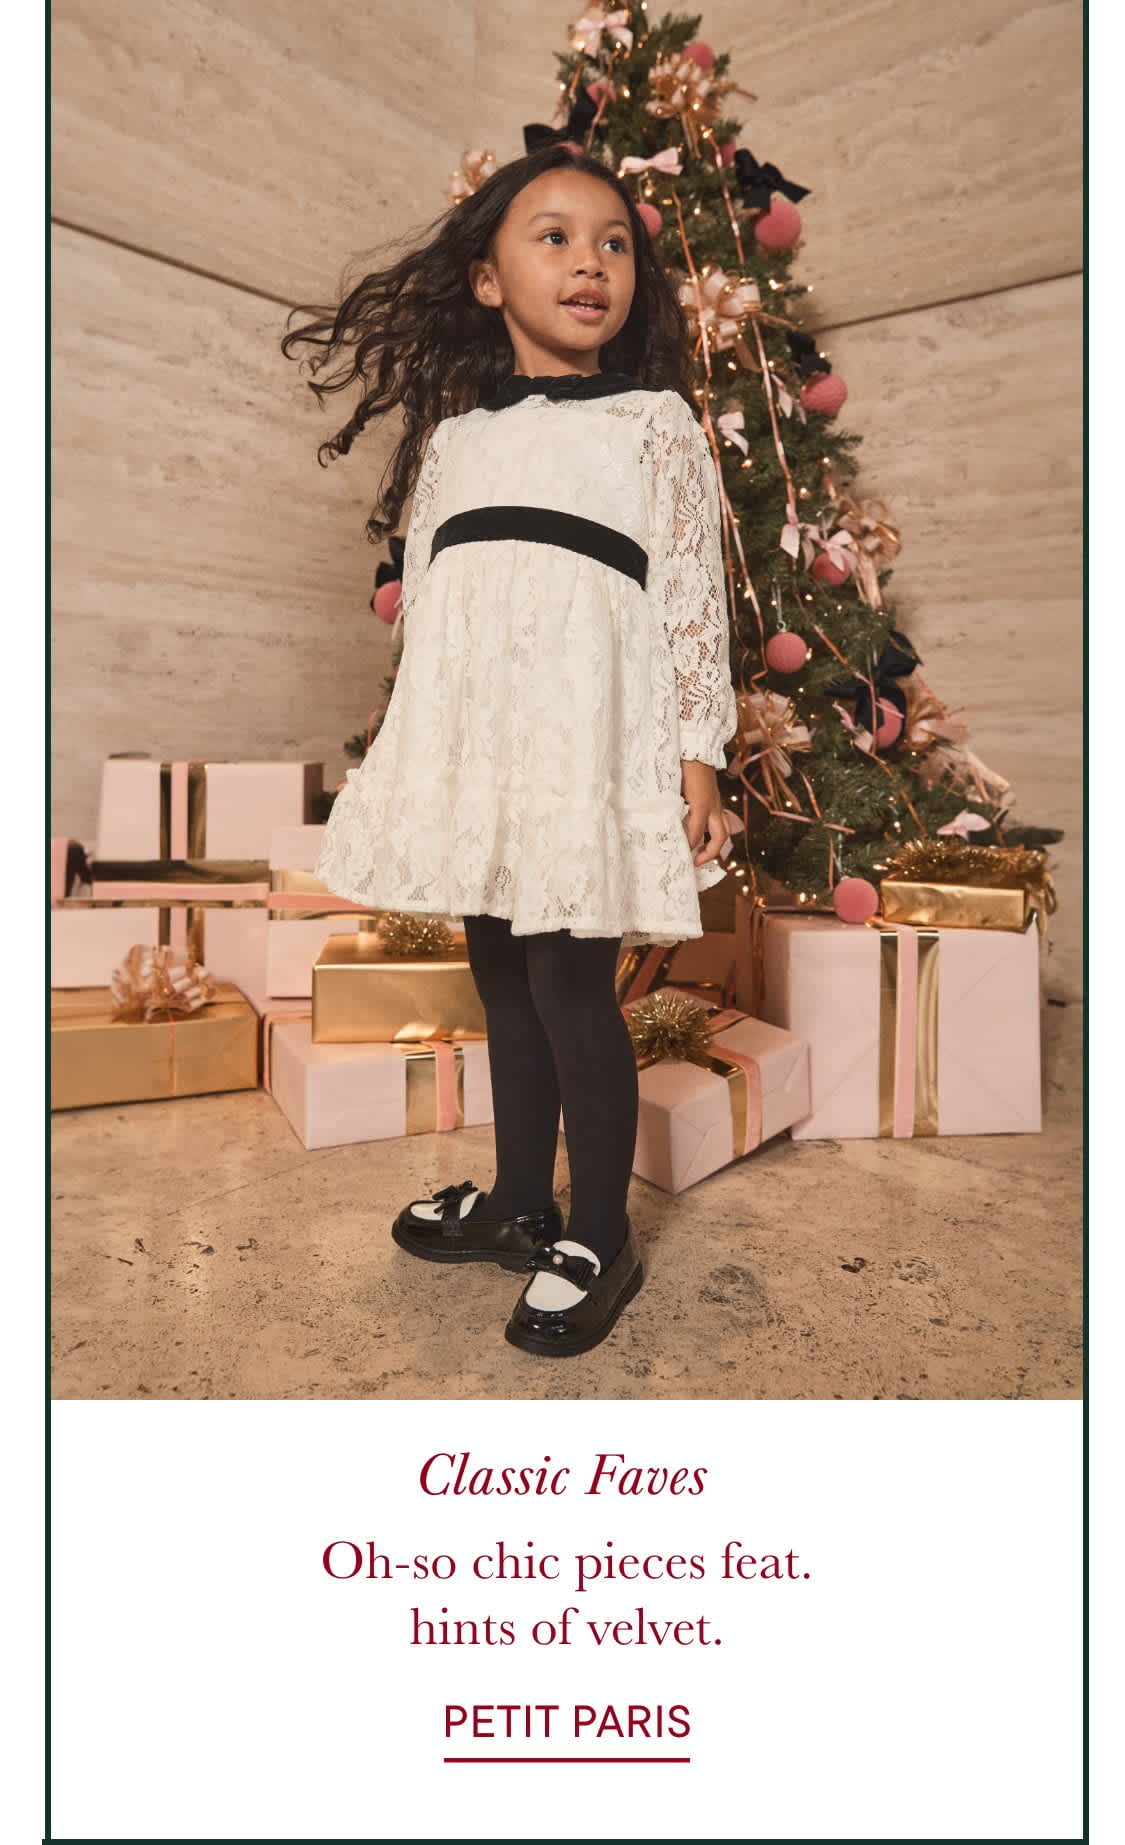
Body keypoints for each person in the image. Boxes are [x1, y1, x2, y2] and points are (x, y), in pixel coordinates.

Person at [281, 142, 738, 1358]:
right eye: (554, 236)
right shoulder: (455, 443)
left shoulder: (655, 425)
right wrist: (417, 746)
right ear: (486, 279)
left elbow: (692, 599)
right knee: (499, 973)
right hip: (481, 745)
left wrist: (697, 758)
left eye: (614, 242)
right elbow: (435, 605)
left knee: (569, 982)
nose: (590, 261)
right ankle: (520, 1204)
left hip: (585, 744)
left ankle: (600, 1231)